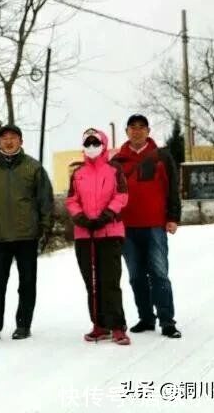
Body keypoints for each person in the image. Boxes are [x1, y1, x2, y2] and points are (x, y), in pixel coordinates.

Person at [0, 124, 54, 343]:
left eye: (13, 138)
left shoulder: (33, 167)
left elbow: (45, 199)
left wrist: (46, 227)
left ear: (21, 141)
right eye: (4, 138)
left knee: (27, 282)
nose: (9, 141)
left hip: (27, 234)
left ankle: (23, 324)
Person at [112, 114, 182, 339]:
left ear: (148, 131)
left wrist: (173, 216)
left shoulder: (161, 157)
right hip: (127, 226)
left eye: (141, 127)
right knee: (135, 275)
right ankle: (146, 317)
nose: (137, 131)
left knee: (159, 273)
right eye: (132, 128)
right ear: (127, 132)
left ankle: (167, 320)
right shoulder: (117, 162)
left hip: (154, 225)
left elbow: (173, 187)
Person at [65, 128, 130, 345]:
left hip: (109, 231)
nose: (92, 147)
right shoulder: (78, 173)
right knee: (91, 281)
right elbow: (71, 200)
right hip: (85, 234)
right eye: (88, 144)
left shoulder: (114, 169)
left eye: (96, 143)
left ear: (103, 145)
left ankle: (117, 325)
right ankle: (99, 324)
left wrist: (107, 214)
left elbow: (121, 195)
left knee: (109, 280)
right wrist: (80, 217)